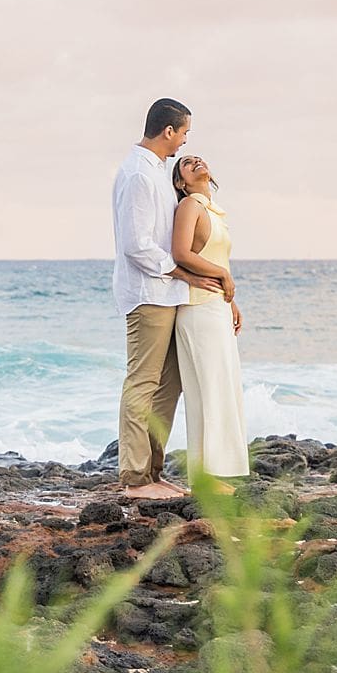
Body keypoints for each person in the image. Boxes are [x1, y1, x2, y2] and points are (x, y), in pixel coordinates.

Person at [111, 99, 223, 497]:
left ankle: (153, 473)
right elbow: (135, 245)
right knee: (142, 382)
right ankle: (135, 478)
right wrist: (180, 270)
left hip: (169, 293)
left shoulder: (158, 173)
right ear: (169, 131)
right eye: (185, 133)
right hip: (148, 294)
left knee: (168, 385)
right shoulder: (138, 173)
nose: (186, 140)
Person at [171, 153, 250, 481]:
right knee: (210, 391)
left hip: (216, 306)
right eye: (187, 163)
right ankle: (213, 477)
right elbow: (181, 253)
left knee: (223, 387)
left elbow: (215, 257)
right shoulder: (190, 206)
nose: (195, 162)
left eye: (198, 159)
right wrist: (222, 276)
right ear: (181, 182)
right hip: (198, 309)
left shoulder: (213, 210)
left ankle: (218, 473)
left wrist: (230, 299)